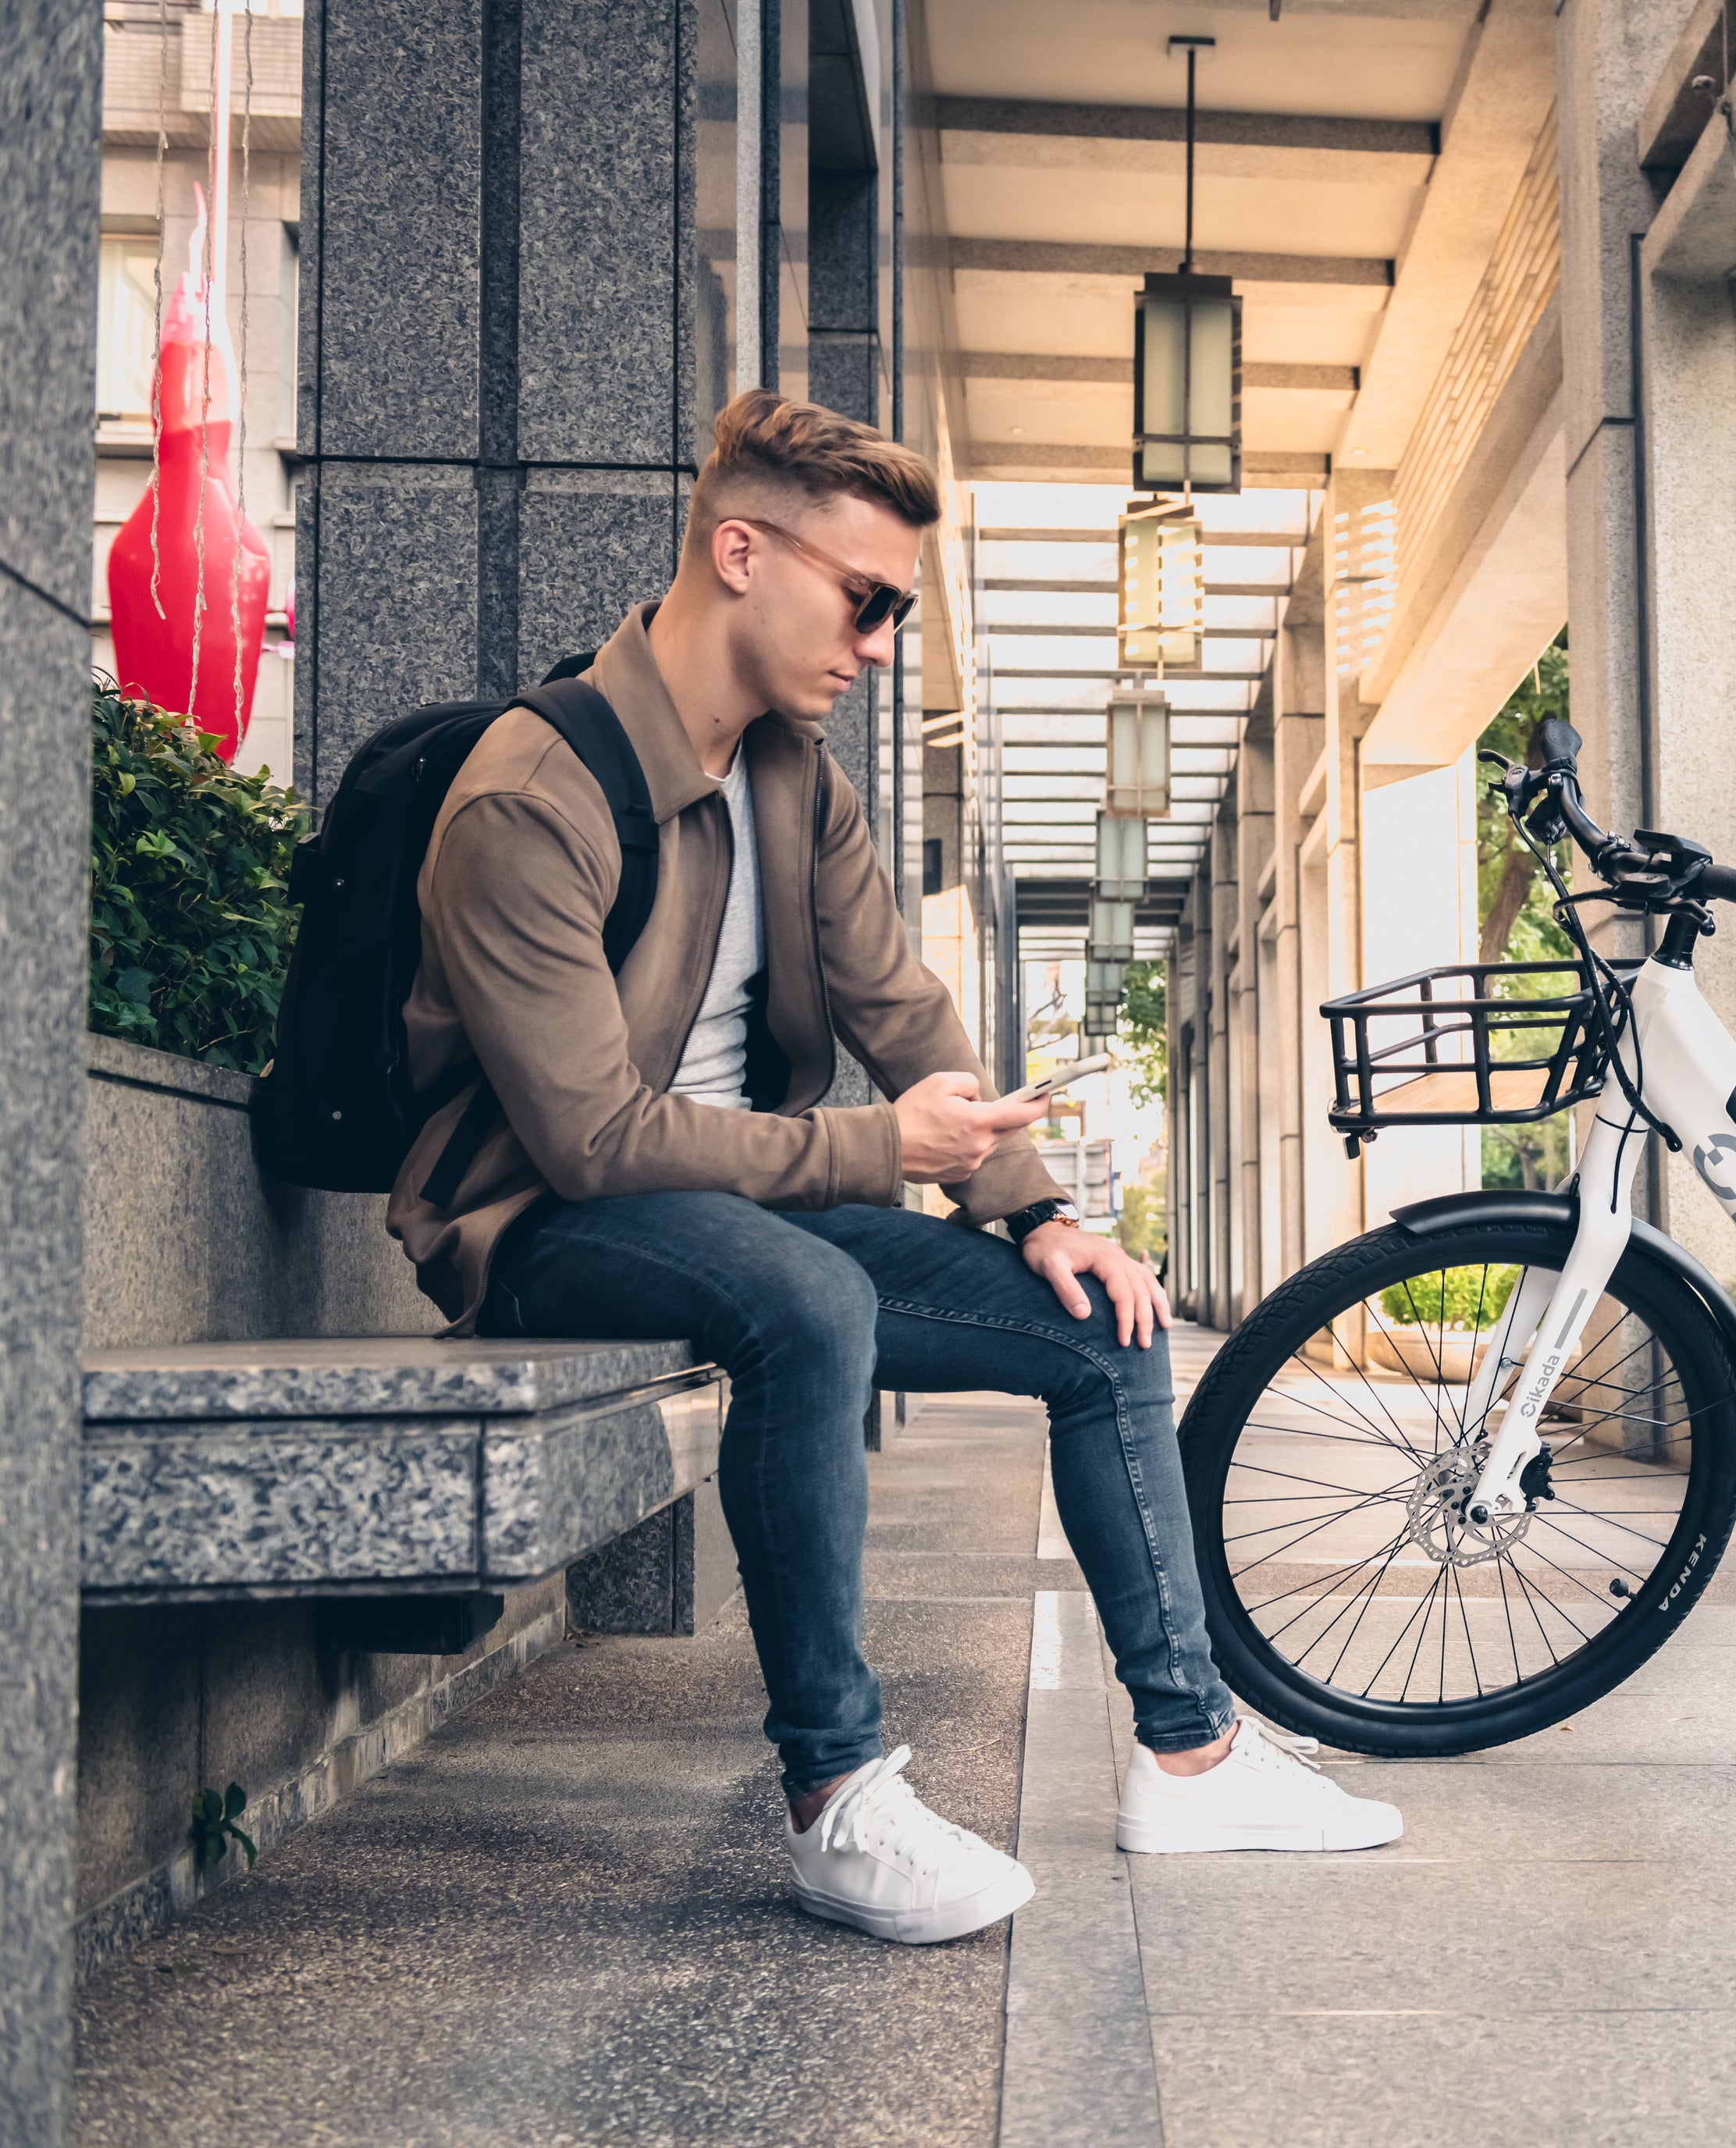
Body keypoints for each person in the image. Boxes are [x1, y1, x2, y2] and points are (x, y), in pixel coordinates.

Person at [391, 389, 1398, 1944]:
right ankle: (838, 1794)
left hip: (749, 1201)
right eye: (865, 601)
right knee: (809, 1303)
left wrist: (1043, 1209)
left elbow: (897, 1004)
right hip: (542, 1218)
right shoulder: (537, 789)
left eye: (899, 611)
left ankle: (1188, 1749)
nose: (875, 643)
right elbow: (589, 1136)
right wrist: (877, 1149)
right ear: (741, 551)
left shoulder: (794, 777)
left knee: (1100, 1322)